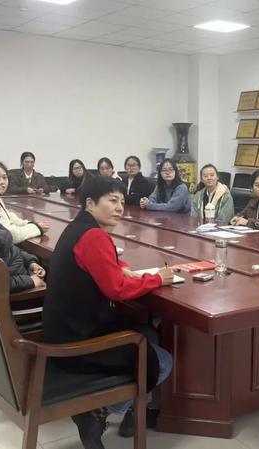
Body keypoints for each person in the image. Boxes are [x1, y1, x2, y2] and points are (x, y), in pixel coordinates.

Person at [42, 176, 174, 448]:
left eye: (122, 202)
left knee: (148, 333)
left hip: (63, 330)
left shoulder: (78, 227)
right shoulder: (94, 236)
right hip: (78, 342)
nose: (119, 208)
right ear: (90, 203)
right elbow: (116, 289)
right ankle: (96, 412)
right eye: (112, 201)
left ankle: (134, 412)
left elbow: (99, 263)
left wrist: (120, 267)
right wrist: (157, 278)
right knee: (162, 361)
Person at [0, 160, 50, 244]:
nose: (2, 182)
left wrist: (30, 224)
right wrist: (37, 228)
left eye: (4, 177)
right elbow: (10, 235)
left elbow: (9, 218)